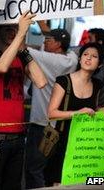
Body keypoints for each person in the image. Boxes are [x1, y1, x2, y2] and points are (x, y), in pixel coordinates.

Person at [0, 12, 47, 190]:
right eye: (8, 29)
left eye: (15, 29)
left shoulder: (21, 57)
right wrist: (20, 35)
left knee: (13, 185)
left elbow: (41, 81)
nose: (13, 32)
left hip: (18, 136)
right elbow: (1, 66)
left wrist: (23, 49)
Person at [25, 26, 78, 189]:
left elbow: (24, 50)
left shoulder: (50, 60)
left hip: (42, 126)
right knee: (50, 171)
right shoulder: (72, 59)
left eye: (48, 40)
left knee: (34, 170)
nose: (44, 42)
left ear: (58, 44)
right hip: (60, 126)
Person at [46, 42, 104, 186]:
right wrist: (77, 113)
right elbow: (51, 113)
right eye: (85, 54)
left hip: (86, 146)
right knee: (60, 184)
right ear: (79, 59)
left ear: (100, 65)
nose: (88, 58)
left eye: (94, 56)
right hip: (62, 144)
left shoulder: (99, 85)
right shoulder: (63, 81)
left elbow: (97, 113)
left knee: (89, 183)